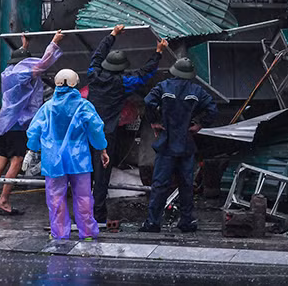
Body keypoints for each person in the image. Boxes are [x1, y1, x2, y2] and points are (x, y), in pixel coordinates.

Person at [87, 24, 167, 222]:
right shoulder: (124, 82)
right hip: (106, 134)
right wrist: (158, 52)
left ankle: (82, 214)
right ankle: (98, 216)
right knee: (102, 176)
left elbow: (97, 55)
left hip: (86, 131)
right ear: (122, 68)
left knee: (84, 174)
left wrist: (112, 35)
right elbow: (144, 74)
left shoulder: (93, 75)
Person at [0, 30, 64, 215]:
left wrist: (24, 45)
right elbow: (42, 64)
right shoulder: (22, 75)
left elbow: (22, 61)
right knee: (16, 161)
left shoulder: (8, 73)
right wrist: (54, 42)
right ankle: (3, 200)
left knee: (1, 160)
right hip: (17, 125)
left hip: (4, 124)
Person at [27, 69, 110, 240]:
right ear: (75, 83)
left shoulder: (47, 107)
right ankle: (87, 233)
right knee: (84, 197)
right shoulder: (83, 105)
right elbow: (96, 129)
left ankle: (58, 233)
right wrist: (102, 149)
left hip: (53, 160)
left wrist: (33, 149)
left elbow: (34, 131)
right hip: (79, 159)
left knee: (56, 198)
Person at [139, 57, 217, 233]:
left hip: (166, 143)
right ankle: (186, 222)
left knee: (159, 184)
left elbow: (147, 102)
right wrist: (199, 123)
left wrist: (155, 122)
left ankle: (153, 222)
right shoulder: (197, 90)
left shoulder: (163, 87)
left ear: (174, 71)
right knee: (186, 185)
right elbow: (212, 109)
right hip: (186, 144)